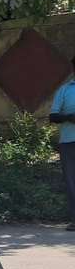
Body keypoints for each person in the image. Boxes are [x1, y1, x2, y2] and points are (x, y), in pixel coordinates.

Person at [50, 61, 75, 230]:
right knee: (71, 182)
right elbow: (53, 116)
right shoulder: (64, 89)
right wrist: (69, 117)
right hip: (68, 142)